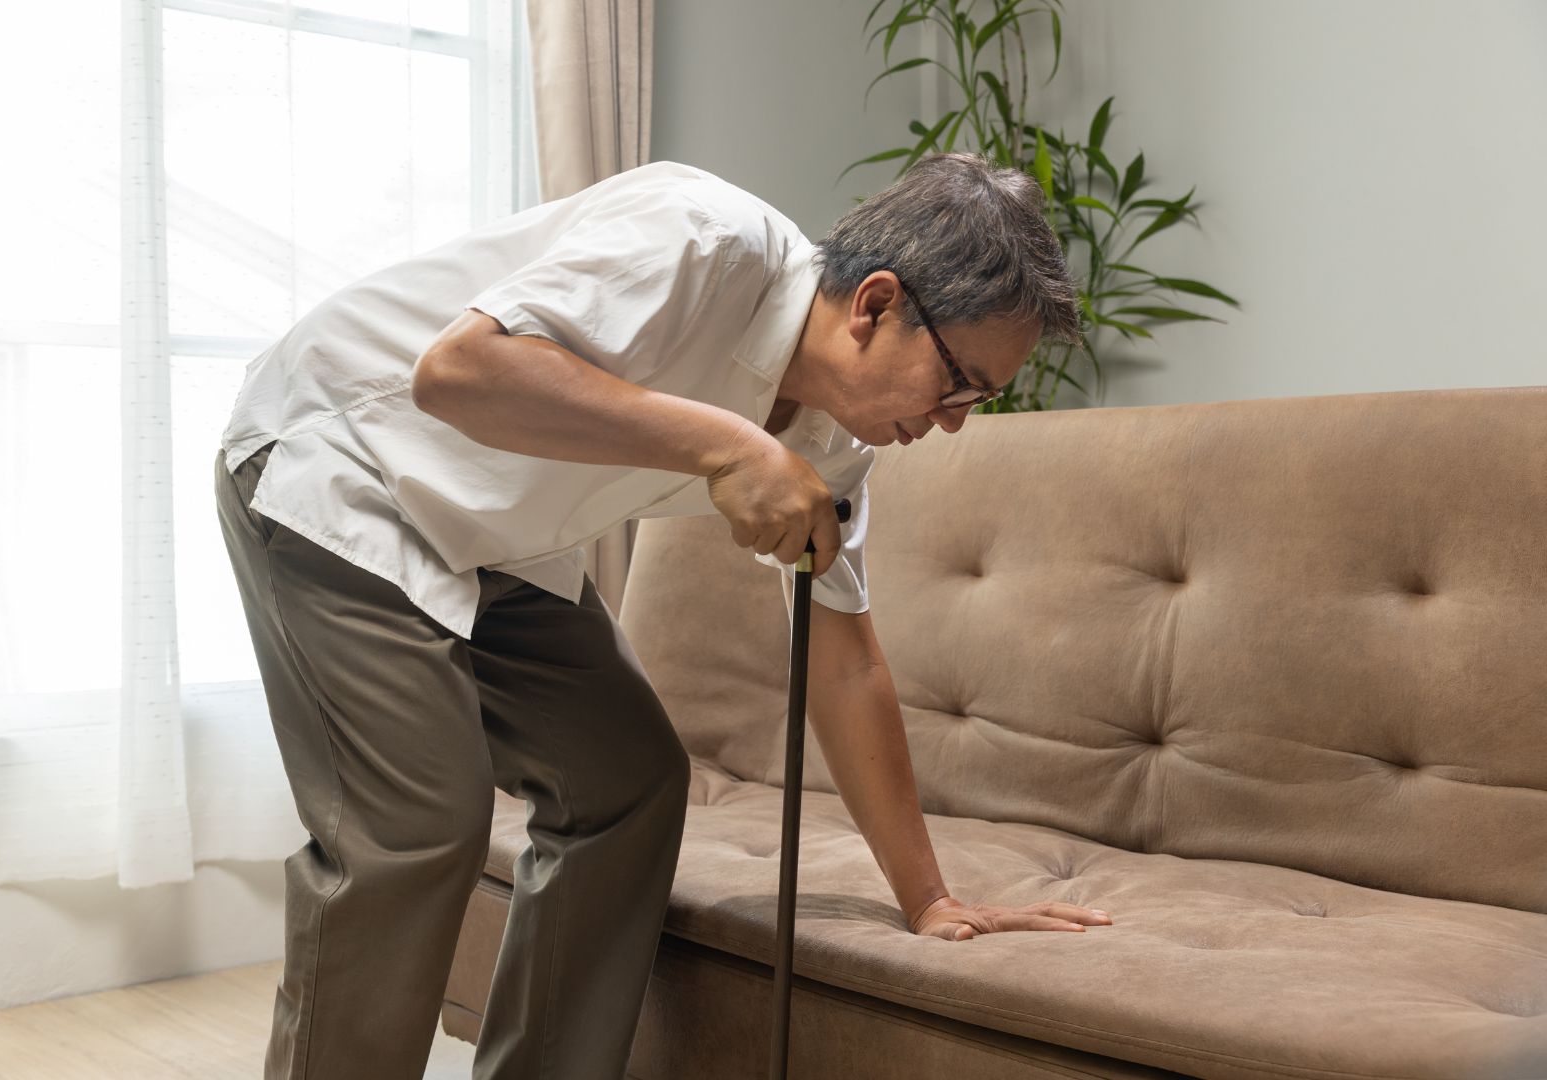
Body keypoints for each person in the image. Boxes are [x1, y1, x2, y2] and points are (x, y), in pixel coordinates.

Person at [215, 152, 1107, 1080]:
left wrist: (928, 899)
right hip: (340, 463)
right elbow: (456, 371)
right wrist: (727, 443)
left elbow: (845, 662)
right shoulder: (700, 237)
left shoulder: (838, 445)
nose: (957, 420)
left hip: (497, 540)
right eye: (958, 382)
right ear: (876, 305)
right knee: (419, 822)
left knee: (629, 784)